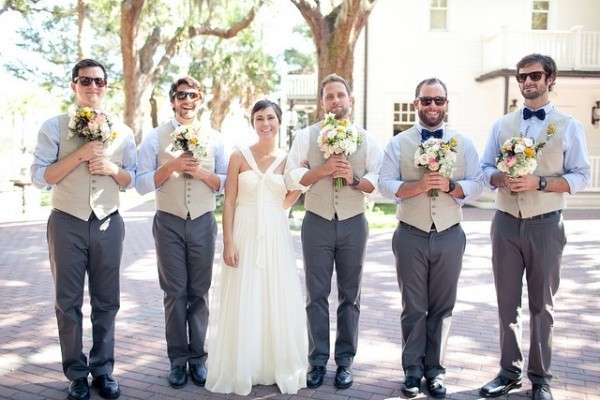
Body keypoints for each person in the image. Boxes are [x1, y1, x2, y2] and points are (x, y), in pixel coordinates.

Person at [479, 54, 590, 400]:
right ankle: (508, 372)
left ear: (550, 78)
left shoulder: (568, 125)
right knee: (506, 303)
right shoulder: (501, 125)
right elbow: (484, 170)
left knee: (543, 305)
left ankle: (541, 379)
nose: (528, 82)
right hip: (506, 224)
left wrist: (539, 184)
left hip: (546, 225)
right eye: (522, 77)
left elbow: (582, 176)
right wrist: (501, 178)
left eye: (535, 75)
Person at [30, 59, 136, 400]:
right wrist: (80, 156)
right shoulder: (53, 126)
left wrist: (110, 167)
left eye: (99, 82)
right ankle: (76, 374)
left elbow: (130, 178)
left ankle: (103, 371)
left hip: (108, 221)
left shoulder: (123, 130)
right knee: (68, 302)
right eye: (85, 81)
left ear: (106, 87)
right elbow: (40, 176)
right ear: (74, 85)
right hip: (66, 222)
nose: (93, 87)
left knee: (107, 302)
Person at [378, 78, 483, 398]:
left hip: (450, 234)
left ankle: (435, 371)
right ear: (416, 104)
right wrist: (418, 187)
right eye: (426, 101)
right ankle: (411, 370)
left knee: (442, 307)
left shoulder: (463, 143)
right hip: (410, 233)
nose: (433, 106)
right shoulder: (398, 143)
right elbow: (385, 184)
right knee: (413, 307)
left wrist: (451, 186)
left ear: (446, 104)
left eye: (438, 101)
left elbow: (478, 183)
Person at [285, 74, 383, 390]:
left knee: (350, 296)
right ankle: (316, 362)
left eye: (341, 95)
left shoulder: (366, 139)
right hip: (316, 221)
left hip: (354, 222)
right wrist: (321, 171)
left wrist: (353, 179)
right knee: (315, 296)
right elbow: (291, 176)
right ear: (322, 102)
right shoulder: (306, 135)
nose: (336, 101)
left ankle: (344, 363)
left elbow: (377, 182)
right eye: (329, 96)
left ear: (350, 100)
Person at [205, 99, 307, 395]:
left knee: (274, 295)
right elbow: (229, 202)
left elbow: (289, 199)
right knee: (244, 296)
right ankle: (243, 366)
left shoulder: (289, 160)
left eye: (270, 118)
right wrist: (228, 242)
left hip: (274, 233)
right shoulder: (239, 156)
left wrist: (289, 197)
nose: (265, 123)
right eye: (260, 118)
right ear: (253, 122)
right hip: (245, 233)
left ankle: (275, 365)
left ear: (279, 121)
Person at [135, 76, 227, 389]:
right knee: (174, 293)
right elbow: (142, 183)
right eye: (182, 95)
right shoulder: (154, 138)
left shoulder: (214, 137)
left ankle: (198, 359)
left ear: (200, 101)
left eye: (194, 96)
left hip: (202, 220)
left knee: (199, 293)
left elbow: (225, 182)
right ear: (173, 100)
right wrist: (172, 165)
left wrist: (199, 172)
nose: (188, 101)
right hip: (169, 221)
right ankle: (177, 361)